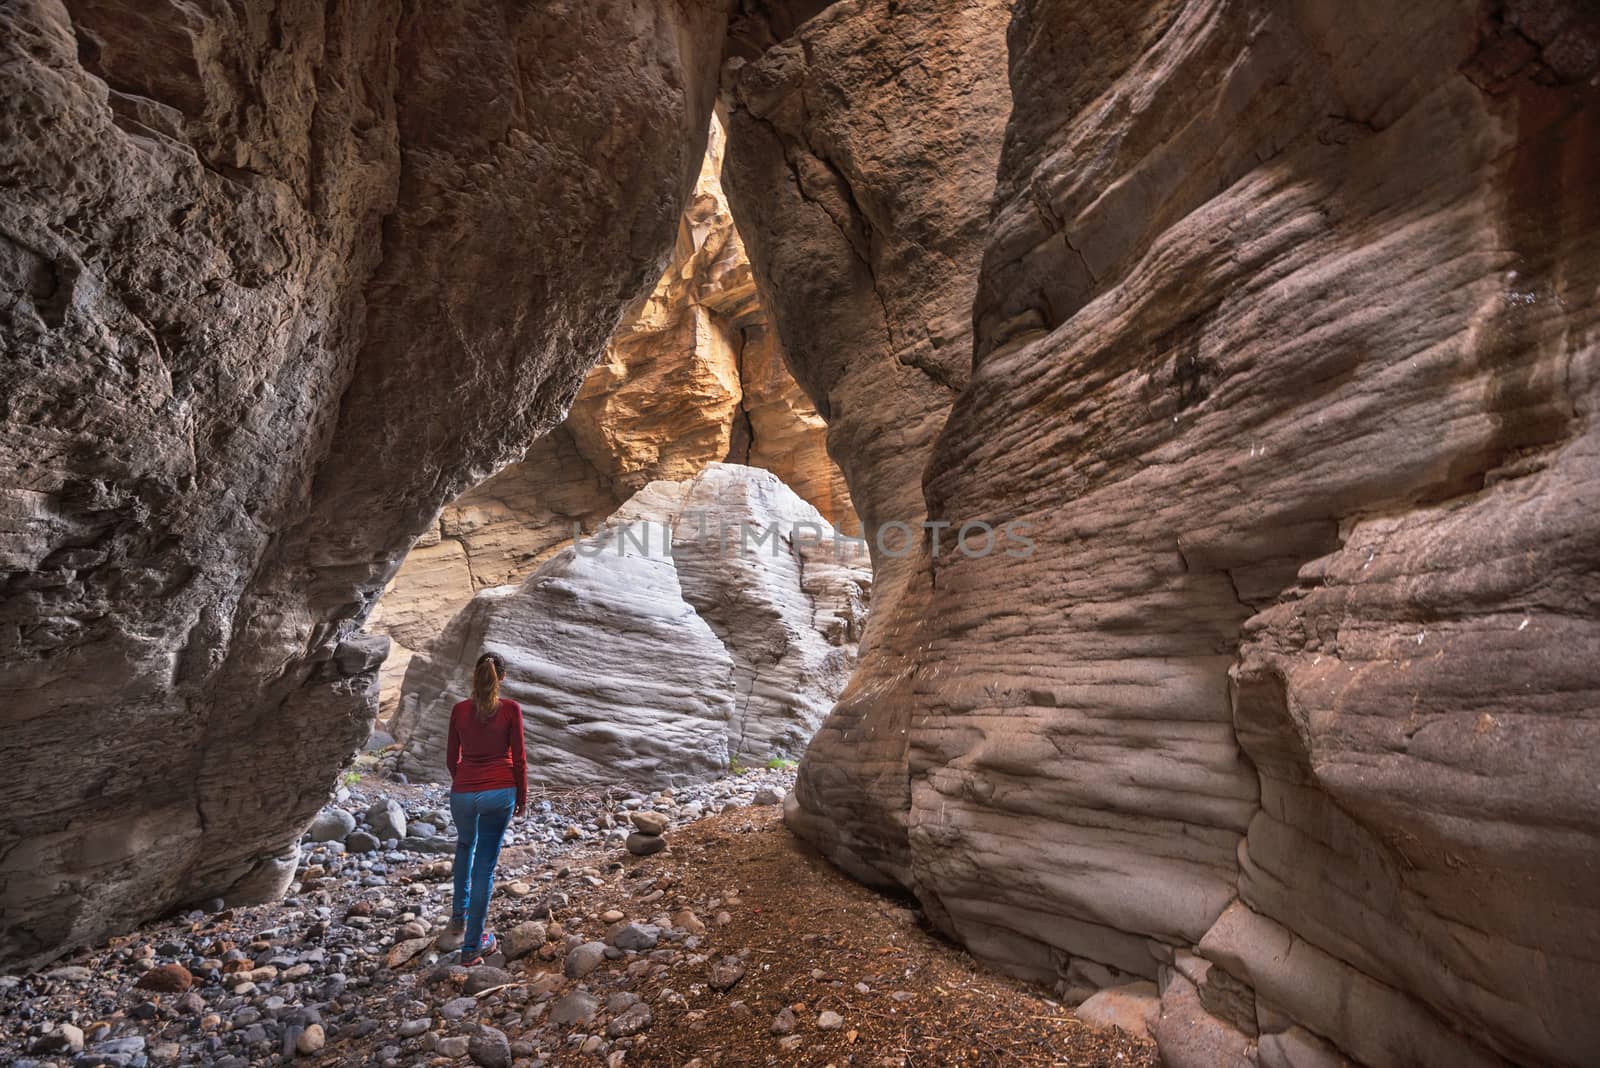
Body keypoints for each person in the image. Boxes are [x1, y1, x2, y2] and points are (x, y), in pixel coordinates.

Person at [446, 650, 527, 965]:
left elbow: (452, 758)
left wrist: (463, 783)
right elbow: (519, 758)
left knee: (464, 846)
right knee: (484, 867)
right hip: (499, 790)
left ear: (474, 676)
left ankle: (457, 918)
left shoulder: (459, 710)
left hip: (463, 792)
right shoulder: (510, 710)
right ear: (502, 678)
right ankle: (471, 948)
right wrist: (521, 795)